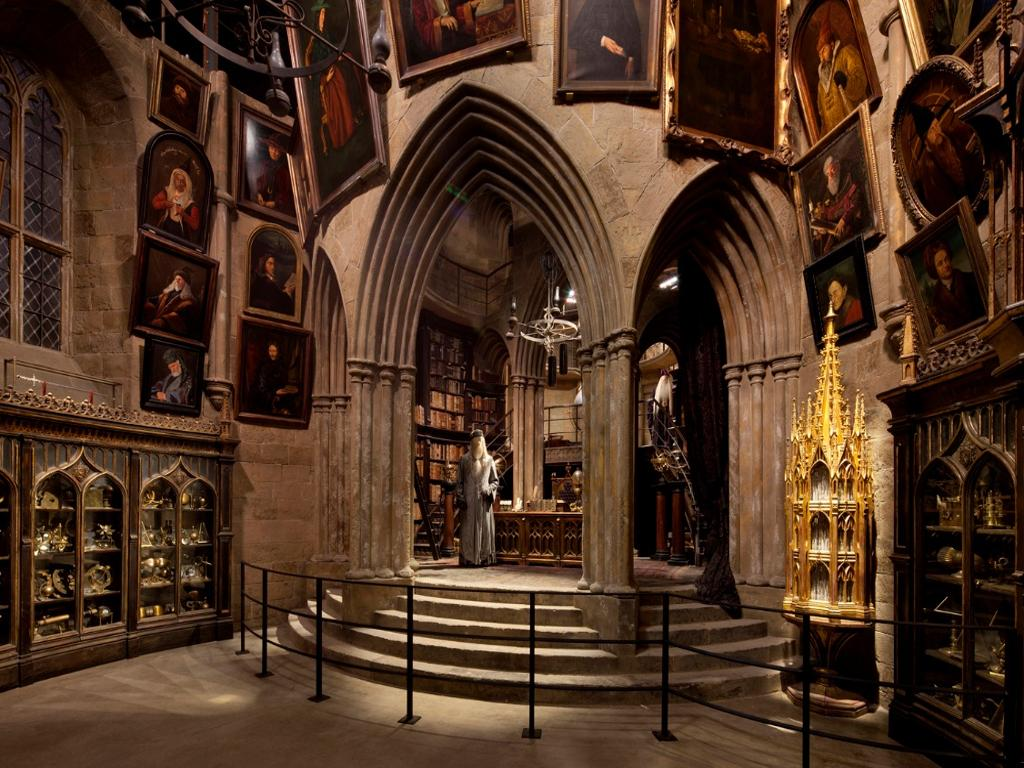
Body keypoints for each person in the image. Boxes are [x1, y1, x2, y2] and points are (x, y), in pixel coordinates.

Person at [305, 1, 362, 155]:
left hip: (334, 69)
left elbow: (332, 52)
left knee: (349, 61)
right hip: (326, 80)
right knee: (338, 78)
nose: (324, 16)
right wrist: (326, 79)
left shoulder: (327, 34)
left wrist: (339, 57)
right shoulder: (314, 41)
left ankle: (355, 112)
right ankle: (345, 129)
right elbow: (314, 70)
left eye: (325, 13)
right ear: (317, 16)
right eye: (321, 13)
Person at [907, 99, 982, 216]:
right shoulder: (928, 169)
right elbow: (944, 207)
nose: (937, 132)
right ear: (926, 142)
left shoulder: (954, 137)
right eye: (931, 131)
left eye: (936, 125)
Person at [814, 14, 868, 135]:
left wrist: (846, 82)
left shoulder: (846, 53)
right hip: (839, 140)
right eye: (819, 54)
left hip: (857, 128)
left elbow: (861, 82)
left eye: (824, 50)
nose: (821, 57)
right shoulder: (820, 85)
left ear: (832, 45)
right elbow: (823, 121)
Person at [567, 0, 643, 81]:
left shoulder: (627, 2)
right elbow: (577, 33)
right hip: (595, 64)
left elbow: (634, 31)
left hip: (620, 65)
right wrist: (603, 40)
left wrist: (631, 58)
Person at [923, 239, 985, 336]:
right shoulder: (936, 300)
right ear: (934, 270)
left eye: (946, 259)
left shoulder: (971, 279)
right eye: (940, 263)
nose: (946, 265)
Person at [455, 428, 498, 566]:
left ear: (483, 443)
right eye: (475, 441)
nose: (478, 443)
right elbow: (459, 482)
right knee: (467, 531)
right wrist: (460, 497)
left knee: (484, 530)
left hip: (484, 503)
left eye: (480, 441)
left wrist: (489, 490)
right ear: (471, 443)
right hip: (468, 504)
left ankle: (484, 558)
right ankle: (468, 559)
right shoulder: (464, 460)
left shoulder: (490, 460)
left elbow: (495, 481)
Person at [809, 155, 865, 259]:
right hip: (834, 230)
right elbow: (826, 212)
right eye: (828, 174)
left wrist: (843, 220)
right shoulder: (828, 192)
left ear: (838, 166)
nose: (830, 175)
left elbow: (856, 202)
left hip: (851, 226)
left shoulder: (848, 180)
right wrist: (821, 228)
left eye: (832, 170)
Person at [412, 0, 481, 58]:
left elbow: (453, 14)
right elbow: (421, 28)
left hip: (455, 34)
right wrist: (440, 21)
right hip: (441, 46)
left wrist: (469, 6)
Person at [151, 167, 202, 244]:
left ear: (186, 182)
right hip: (166, 227)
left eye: (182, 180)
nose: (180, 182)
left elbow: (195, 225)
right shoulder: (167, 192)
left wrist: (183, 214)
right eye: (178, 179)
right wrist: (164, 203)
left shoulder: (190, 203)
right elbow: (154, 203)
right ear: (174, 180)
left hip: (180, 234)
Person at [143, 267, 198, 338]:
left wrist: (163, 320)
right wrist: (149, 303)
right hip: (156, 321)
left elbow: (179, 317)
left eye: (179, 279)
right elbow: (156, 299)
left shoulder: (188, 302)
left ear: (185, 283)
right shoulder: (168, 293)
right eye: (176, 279)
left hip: (168, 327)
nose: (177, 281)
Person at [250, 133, 295, 217]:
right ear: (268, 148)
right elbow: (257, 183)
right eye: (272, 148)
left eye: (277, 150)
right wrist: (258, 194)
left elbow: (287, 195)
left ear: (281, 152)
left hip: (277, 213)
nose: (274, 152)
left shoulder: (285, 172)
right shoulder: (263, 165)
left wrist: (275, 203)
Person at [250, 341, 298, 415]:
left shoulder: (281, 364)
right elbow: (262, 387)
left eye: (274, 351)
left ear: (278, 352)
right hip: (266, 395)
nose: (272, 354)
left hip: (279, 393)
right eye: (270, 351)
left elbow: (283, 381)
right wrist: (274, 392)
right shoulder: (264, 366)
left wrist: (285, 388)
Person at [250, 249, 296, 316]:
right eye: (270, 263)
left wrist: (284, 292)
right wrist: (287, 293)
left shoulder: (272, 281)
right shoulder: (263, 281)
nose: (273, 267)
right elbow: (273, 301)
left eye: (274, 264)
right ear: (264, 265)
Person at [647, 369, 673, 448]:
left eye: (666, 380)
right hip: (657, 416)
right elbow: (650, 408)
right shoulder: (655, 391)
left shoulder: (669, 390)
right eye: (664, 380)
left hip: (666, 416)